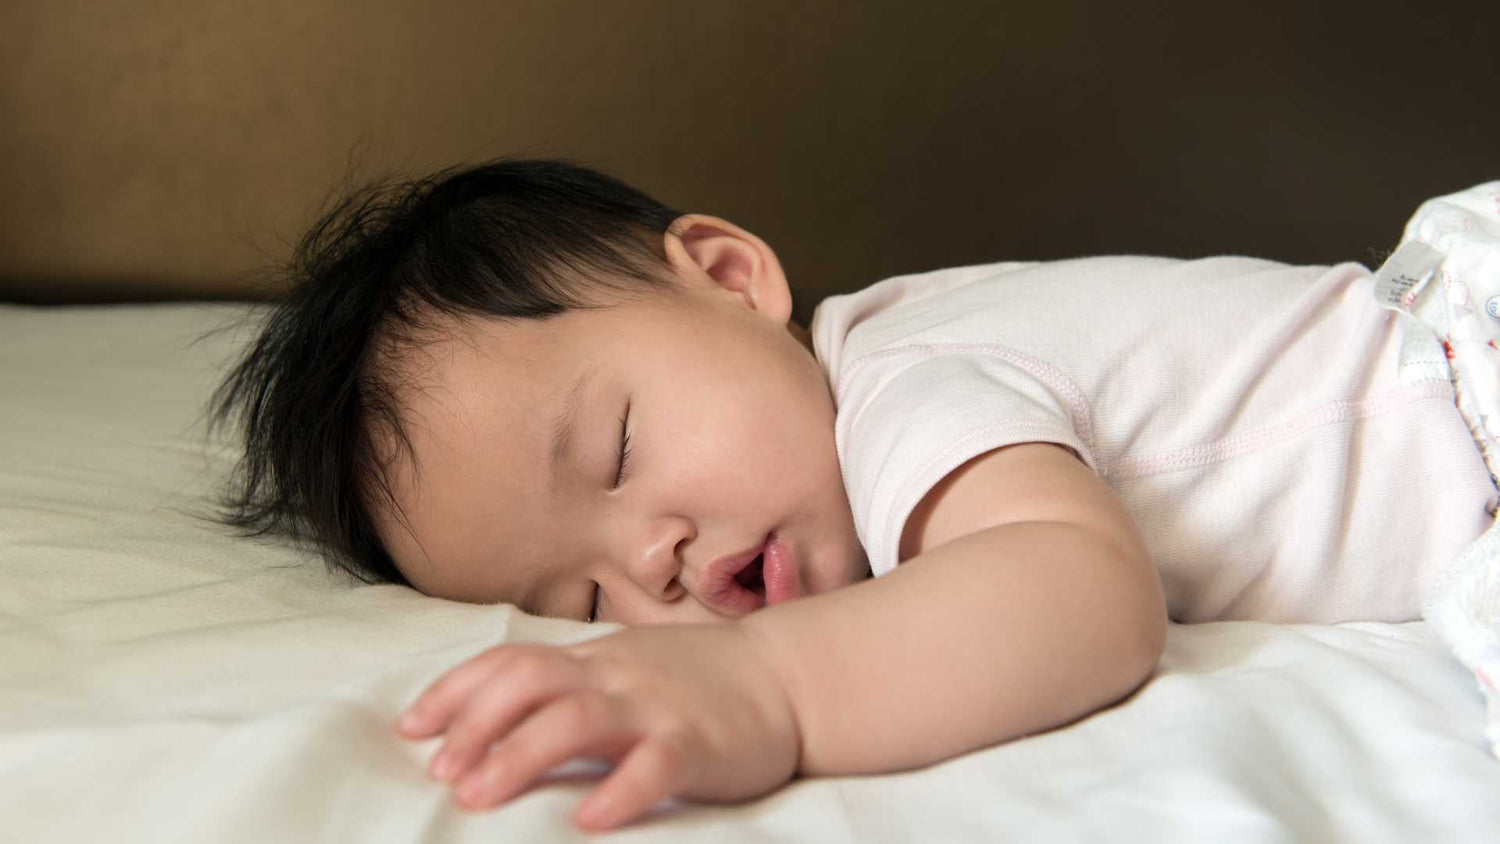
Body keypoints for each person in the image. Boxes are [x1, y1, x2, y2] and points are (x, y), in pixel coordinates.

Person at [207, 159, 1500, 831]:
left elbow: (1072, 589)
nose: (645, 564)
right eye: (576, 595)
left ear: (726, 274)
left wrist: (767, 688)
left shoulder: (905, 382)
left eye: (615, 453)